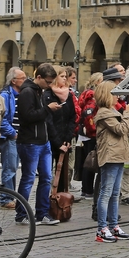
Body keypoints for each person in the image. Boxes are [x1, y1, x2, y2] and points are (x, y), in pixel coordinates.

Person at [16, 63, 61, 226]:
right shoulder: (28, 92)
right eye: (48, 82)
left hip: (43, 141)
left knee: (46, 178)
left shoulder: (38, 91)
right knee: (28, 178)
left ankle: (42, 213)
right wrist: (48, 109)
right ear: (39, 77)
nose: (49, 86)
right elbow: (27, 116)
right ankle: (21, 213)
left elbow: (42, 118)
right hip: (30, 142)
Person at [92, 81, 129, 242]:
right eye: (115, 94)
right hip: (110, 156)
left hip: (118, 155)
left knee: (115, 193)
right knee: (106, 193)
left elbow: (126, 131)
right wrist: (128, 113)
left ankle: (113, 226)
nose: (118, 97)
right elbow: (120, 129)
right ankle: (102, 228)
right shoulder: (104, 113)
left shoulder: (113, 111)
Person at [44, 67, 78, 197]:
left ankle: (61, 200)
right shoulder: (48, 95)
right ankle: (48, 199)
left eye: (65, 76)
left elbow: (72, 117)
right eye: (62, 76)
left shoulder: (68, 94)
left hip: (65, 139)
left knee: (63, 172)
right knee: (48, 173)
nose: (65, 78)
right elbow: (48, 120)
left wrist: (67, 139)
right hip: (51, 140)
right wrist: (58, 142)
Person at [75, 72, 102, 201]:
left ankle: (86, 189)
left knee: (88, 159)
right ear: (97, 82)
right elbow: (88, 114)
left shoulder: (85, 93)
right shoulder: (92, 96)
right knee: (91, 160)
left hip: (85, 133)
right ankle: (88, 189)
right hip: (90, 133)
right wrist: (94, 131)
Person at [0, 67, 24, 208]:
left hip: (19, 137)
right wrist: (12, 133)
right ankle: (5, 198)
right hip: (10, 137)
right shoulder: (5, 95)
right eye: (23, 78)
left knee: (13, 167)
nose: (25, 81)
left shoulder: (21, 94)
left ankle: (10, 196)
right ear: (14, 81)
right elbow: (2, 118)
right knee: (9, 168)